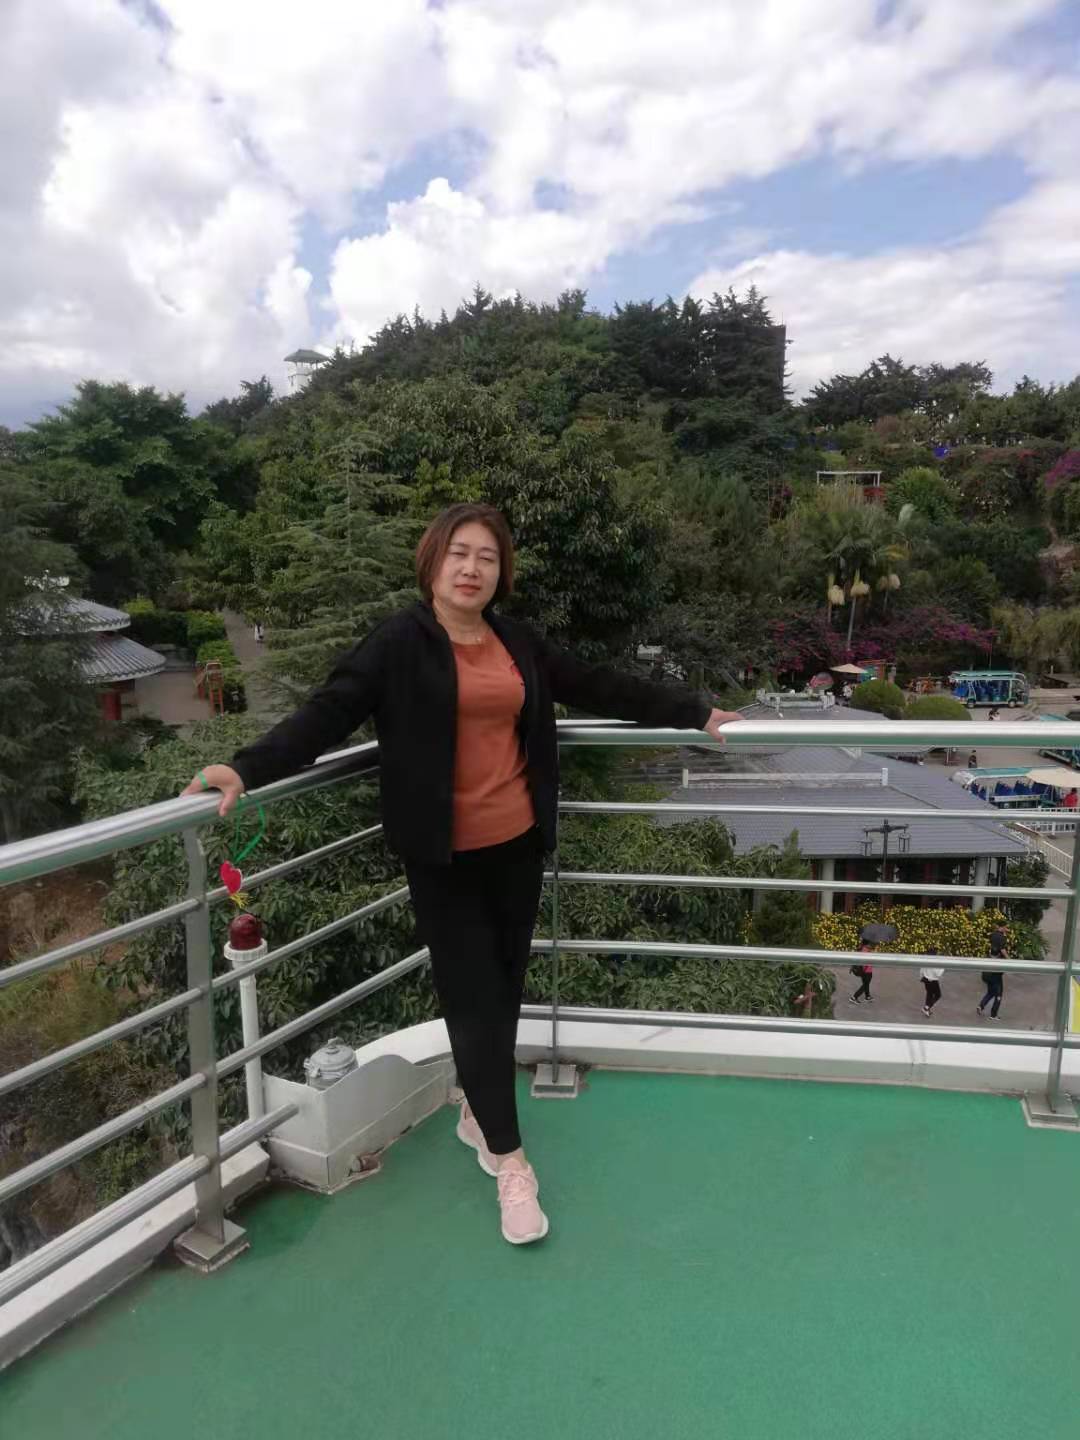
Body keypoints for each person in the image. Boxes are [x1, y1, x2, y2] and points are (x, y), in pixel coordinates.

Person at [181, 502, 740, 1247]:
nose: (472, 568)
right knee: (473, 1002)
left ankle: (478, 1112)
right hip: (443, 857)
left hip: (518, 845)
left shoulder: (516, 641)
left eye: (487, 557)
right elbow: (326, 714)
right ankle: (511, 1162)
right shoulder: (398, 643)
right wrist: (245, 767)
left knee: (502, 991)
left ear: (501, 572)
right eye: (459, 554)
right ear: (433, 563)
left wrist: (696, 711)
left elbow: (601, 685)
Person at [978, 924, 1008, 1018]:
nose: (1007, 929)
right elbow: (1002, 949)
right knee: (999, 994)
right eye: (1006, 927)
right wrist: (1009, 959)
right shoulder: (998, 959)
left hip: (986, 975)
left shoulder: (993, 935)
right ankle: (993, 1015)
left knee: (990, 992)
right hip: (995, 976)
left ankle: (981, 1006)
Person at [919, 949, 944, 1017]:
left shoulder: (926, 960)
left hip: (925, 979)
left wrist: (921, 977)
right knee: (938, 995)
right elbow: (938, 974)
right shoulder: (935, 963)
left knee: (929, 993)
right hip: (933, 981)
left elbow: (922, 969)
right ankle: (926, 1008)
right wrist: (943, 967)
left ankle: (927, 1010)